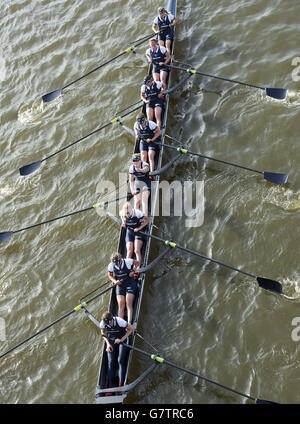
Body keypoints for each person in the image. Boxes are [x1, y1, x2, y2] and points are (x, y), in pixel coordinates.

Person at [100, 311, 134, 394]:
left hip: (123, 339)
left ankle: (120, 385)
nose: (109, 325)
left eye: (110, 323)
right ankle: (110, 386)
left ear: (112, 319)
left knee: (120, 361)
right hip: (111, 340)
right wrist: (108, 344)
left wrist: (121, 340)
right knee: (111, 362)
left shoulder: (119, 321)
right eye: (107, 323)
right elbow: (103, 333)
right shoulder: (102, 323)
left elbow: (131, 329)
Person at [108, 252, 139, 325]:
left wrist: (133, 270)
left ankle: (129, 324)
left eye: (118, 263)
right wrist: (115, 281)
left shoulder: (128, 261)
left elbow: (137, 263)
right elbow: (110, 275)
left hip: (130, 283)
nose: (117, 265)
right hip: (120, 285)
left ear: (121, 259)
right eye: (116, 264)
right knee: (121, 304)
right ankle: (120, 325)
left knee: (128, 303)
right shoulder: (111, 265)